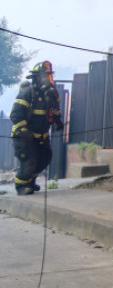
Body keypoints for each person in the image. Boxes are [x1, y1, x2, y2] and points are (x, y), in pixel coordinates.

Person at [11, 61, 63, 195]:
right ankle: (21, 186)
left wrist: (57, 121)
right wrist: (23, 131)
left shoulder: (50, 95)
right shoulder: (28, 93)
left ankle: (30, 182)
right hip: (24, 137)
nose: (47, 79)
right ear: (36, 77)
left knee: (44, 159)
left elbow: (55, 109)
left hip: (42, 136)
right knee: (30, 161)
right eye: (44, 76)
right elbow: (16, 115)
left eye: (49, 76)